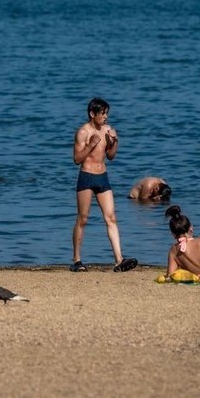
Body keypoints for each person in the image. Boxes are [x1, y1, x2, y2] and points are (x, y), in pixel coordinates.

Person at [71, 98, 137, 273]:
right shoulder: (83, 132)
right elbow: (77, 159)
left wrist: (114, 142)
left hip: (103, 178)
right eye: (103, 113)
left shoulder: (107, 130)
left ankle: (119, 260)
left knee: (111, 218)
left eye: (107, 113)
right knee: (83, 219)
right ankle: (77, 260)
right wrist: (91, 145)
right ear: (93, 114)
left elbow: (111, 156)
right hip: (86, 177)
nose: (106, 117)